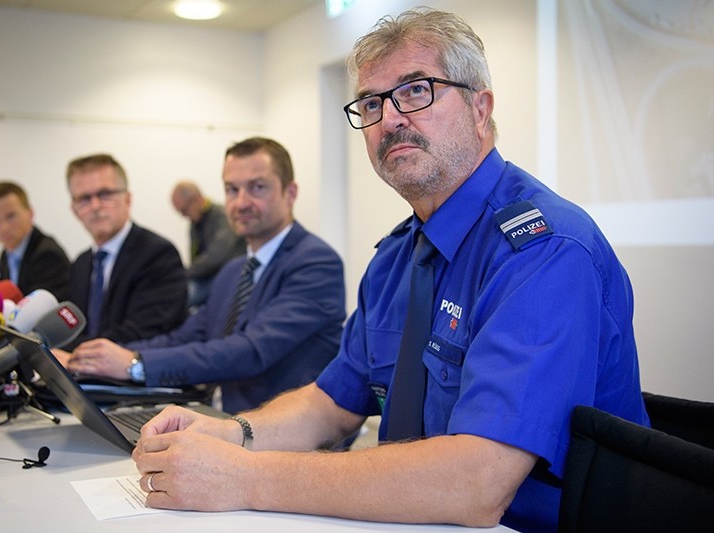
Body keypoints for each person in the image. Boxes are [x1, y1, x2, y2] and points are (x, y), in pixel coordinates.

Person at [127, 9, 649, 532]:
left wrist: (242, 476)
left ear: (480, 108)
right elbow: (331, 402)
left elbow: (476, 482)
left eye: (416, 90)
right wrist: (229, 434)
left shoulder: (543, 251)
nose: (390, 119)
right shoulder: (397, 255)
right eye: (371, 103)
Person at [63, 138, 345, 414]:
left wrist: (135, 363)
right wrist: (92, 358)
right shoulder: (233, 272)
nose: (241, 202)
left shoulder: (315, 262)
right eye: (232, 189)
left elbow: (250, 351)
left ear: (290, 192)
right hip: (223, 420)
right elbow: (184, 337)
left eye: (257, 188)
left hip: (286, 438)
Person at [60, 154, 187, 350]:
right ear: (74, 209)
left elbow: (142, 332)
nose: (95, 206)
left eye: (105, 195)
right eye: (84, 199)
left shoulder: (158, 254)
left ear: (127, 199)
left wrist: (73, 352)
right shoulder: (81, 264)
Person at [0, 181, 71, 300]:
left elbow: (39, 313)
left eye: (10, 216)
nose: (4, 227)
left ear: (30, 213)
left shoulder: (48, 255)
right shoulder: (6, 255)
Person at [171, 181, 244, 308]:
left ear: (197, 200)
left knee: (178, 298)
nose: (183, 216)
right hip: (208, 278)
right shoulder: (195, 223)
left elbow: (217, 256)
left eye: (184, 210)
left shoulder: (222, 216)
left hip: (227, 278)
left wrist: (184, 273)